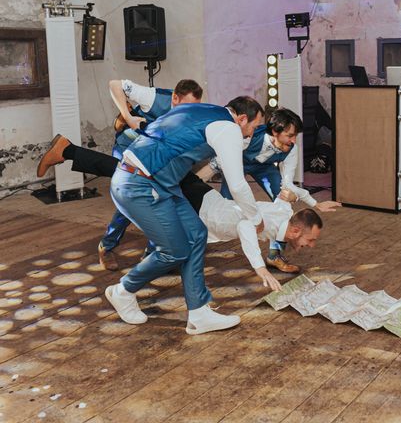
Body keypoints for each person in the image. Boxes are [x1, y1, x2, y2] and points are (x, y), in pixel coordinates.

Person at [106, 96, 266, 335]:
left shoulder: (203, 110)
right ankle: (122, 291)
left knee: (196, 234)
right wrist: (255, 218)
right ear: (242, 119)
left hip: (160, 184)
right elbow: (238, 185)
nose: (251, 135)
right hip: (138, 184)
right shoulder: (229, 127)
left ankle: (199, 313)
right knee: (174, 250)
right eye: (253, 128)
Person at [37, 79, 203, 271]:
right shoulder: (153, 97)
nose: (190, 111)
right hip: (128, 145)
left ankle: (152, 254)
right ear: (174, 98)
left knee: (156, 198)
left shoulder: (191, 114)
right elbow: (115, 84)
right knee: (137, 197)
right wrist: (128, 117)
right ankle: (107, 247)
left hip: (151, 153)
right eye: (187, 105)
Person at [219, 108, 340, 273]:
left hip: (264, 169)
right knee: (224, 206)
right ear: (275, 132)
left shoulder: (292, 149)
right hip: (237, 165)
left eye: (295, 135)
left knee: (285, 204)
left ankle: (274, 256)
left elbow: (287, 185)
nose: (293, 140)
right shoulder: (250, 135)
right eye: (290, 135)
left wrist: (314, 203)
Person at [199, 187, 322, 281]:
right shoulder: (267, 223)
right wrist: (260, 267)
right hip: (202, 211)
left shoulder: (286, 213)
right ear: (296, 231)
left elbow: (283, 195)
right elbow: (244, 226)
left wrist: (293, 196)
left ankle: (273, 257)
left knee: (283, 234)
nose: (312, 245)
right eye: (310, 240)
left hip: (208, 197)